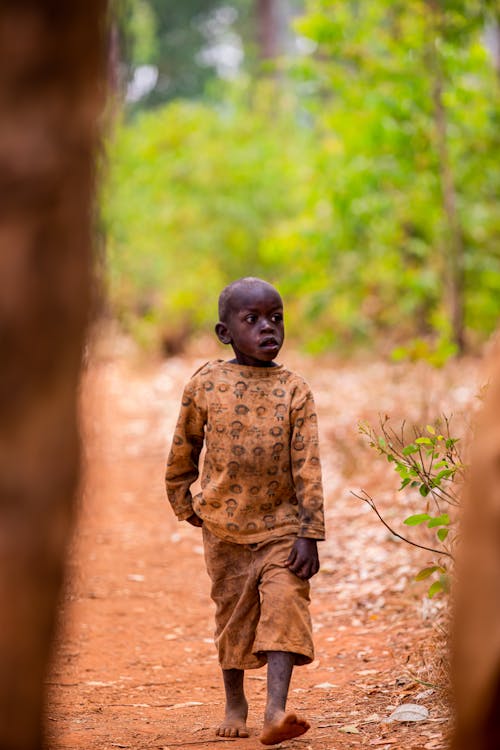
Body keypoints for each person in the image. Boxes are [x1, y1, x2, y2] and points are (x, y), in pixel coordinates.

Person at [165, 277, 325, 745]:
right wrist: (184, 501)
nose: (267, 328)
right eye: (251, 320)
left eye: (275, 318)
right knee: (233, 617)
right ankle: (235, 700)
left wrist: (309, 532)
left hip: (282, 527)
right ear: (224, 332)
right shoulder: (206, 383)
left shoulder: (295, 390)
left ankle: (276, 710)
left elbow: (308, 466)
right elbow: (184, 447)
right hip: (223, 527)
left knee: (285, 603)